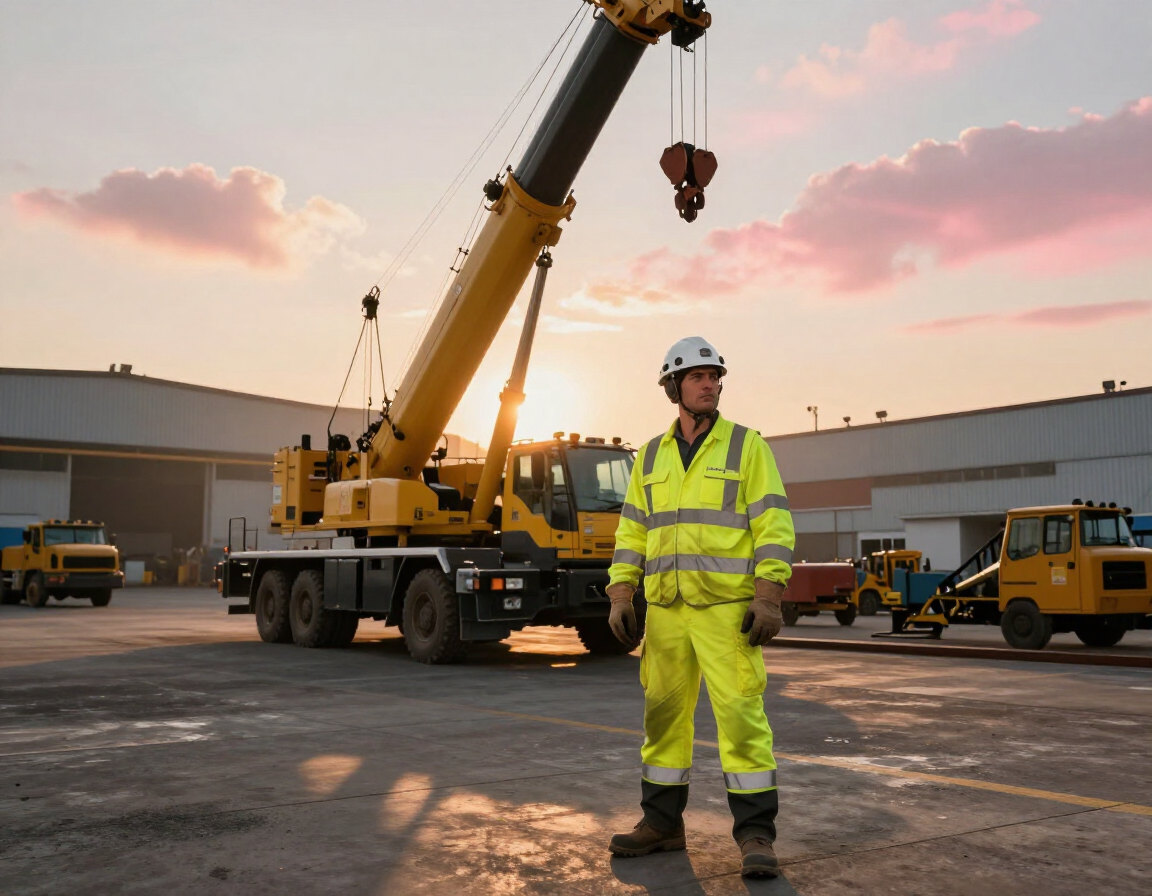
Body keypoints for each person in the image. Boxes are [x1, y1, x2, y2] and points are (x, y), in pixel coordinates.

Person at [605, 336, 794, 879]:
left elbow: (774, 525)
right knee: (662, 719)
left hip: (726, 611)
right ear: (674, 388)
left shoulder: (746, 447)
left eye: (714, 376)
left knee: (740, 718)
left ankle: (756, 833)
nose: (709, 384)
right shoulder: (651, 455)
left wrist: (769, 595)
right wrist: (621, 592)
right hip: (665, 611)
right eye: (697, 377)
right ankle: (661, 824)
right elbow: (633, 530)